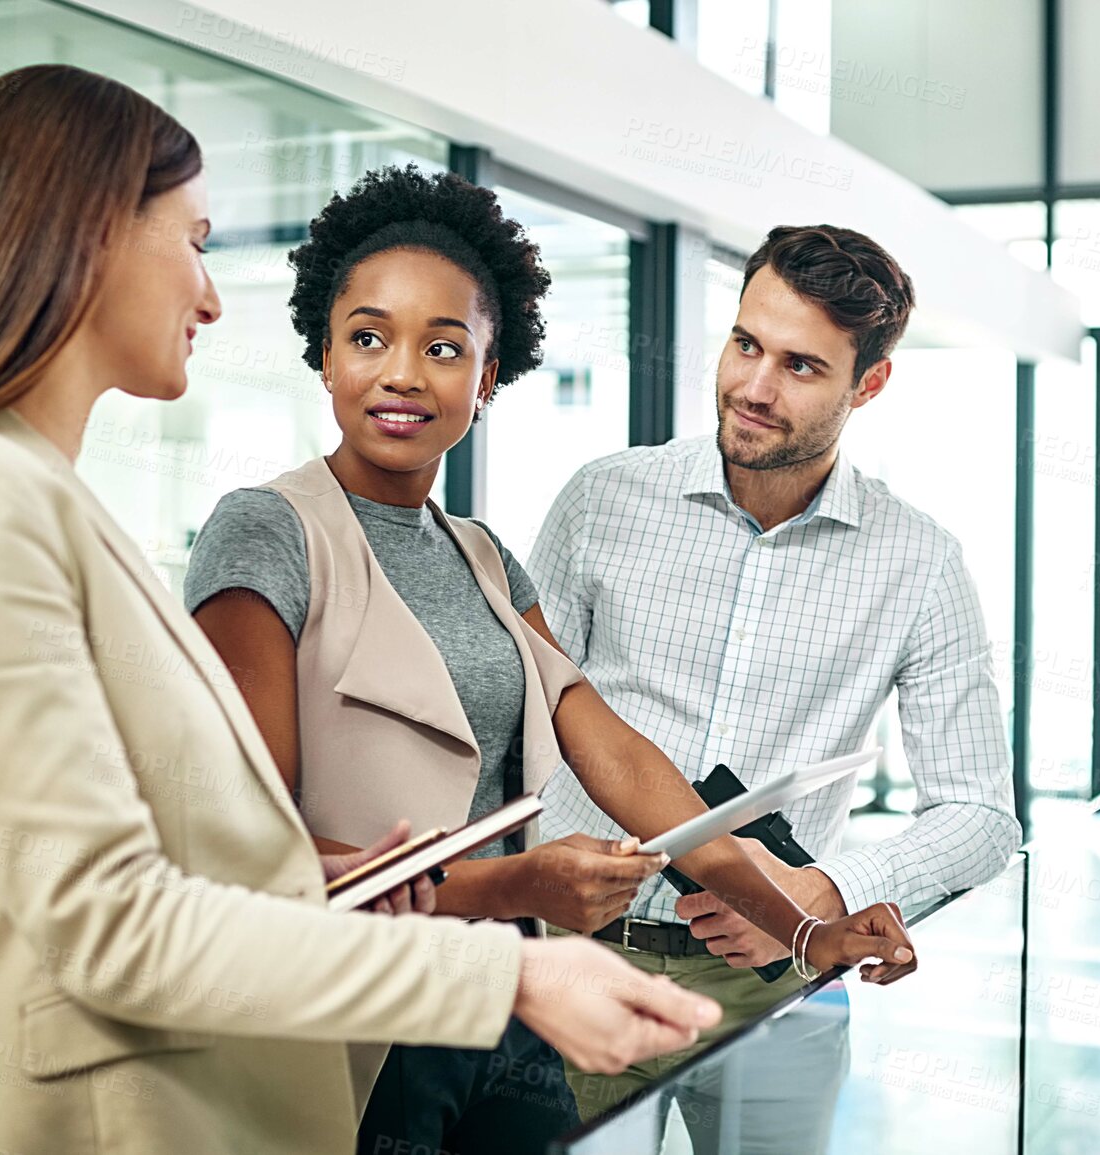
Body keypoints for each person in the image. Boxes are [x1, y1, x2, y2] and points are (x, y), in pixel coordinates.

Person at [0, 65, 724, 1155]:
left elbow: (121, 849)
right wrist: (507, 963)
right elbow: (110, 925)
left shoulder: (34, 496)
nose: (212, 295)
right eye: (195, 240)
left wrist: (312, 874)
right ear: (88, 238)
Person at [184, 165, 919, 1155]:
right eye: (368, 337)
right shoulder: (267, 532)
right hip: (355, 1014)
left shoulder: (484, 556)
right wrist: (518, 886)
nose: (403, 373)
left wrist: (802, 931)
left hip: (501, 1012)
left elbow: (618, 759)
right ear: (324, 354)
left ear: (486, 378)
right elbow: (250, 859)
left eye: (444, 349)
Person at [531, 224, 1024, 1143]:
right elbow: (515, 722)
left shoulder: (919, 563)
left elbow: (981, 814)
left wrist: (820, 892)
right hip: (578, 960)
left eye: (800, 366)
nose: (753, 387)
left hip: (779, 986)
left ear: (866, 384)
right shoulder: (601, 500)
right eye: (745, 344)